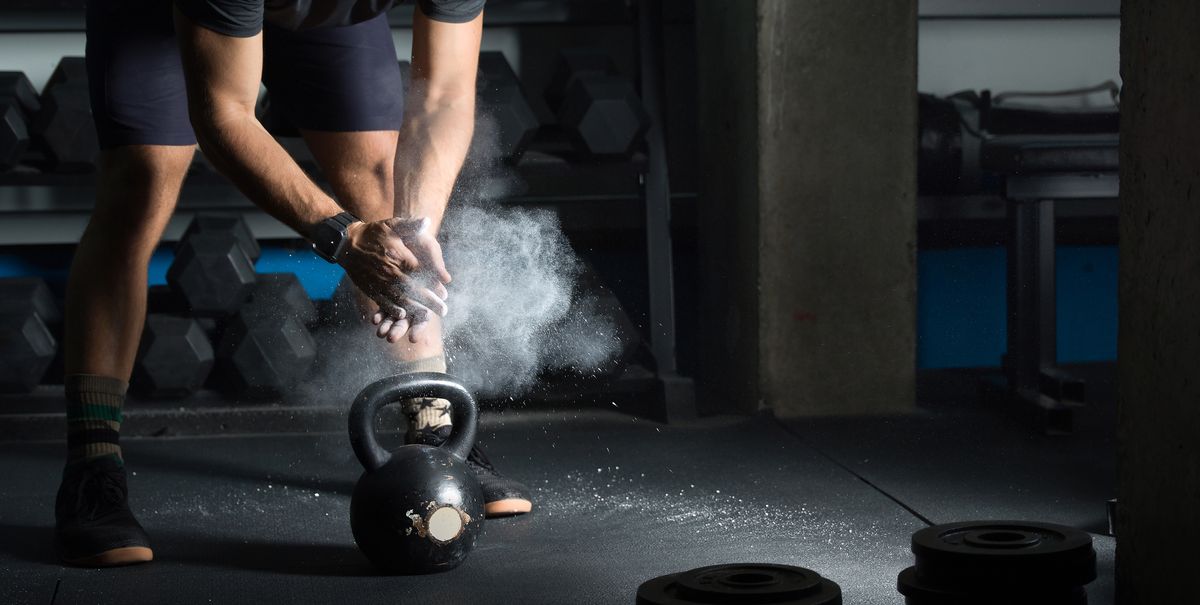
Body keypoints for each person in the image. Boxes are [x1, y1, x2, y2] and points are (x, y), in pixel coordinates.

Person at [53, 0, 531, 568]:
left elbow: (444, 96)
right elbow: (223, 116)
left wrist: (411, 230)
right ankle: (93, 462)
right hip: (160, 14)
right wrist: (344, 237)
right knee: (141, 183)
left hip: (321, 19)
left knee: (379, 177)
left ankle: (432, 431)